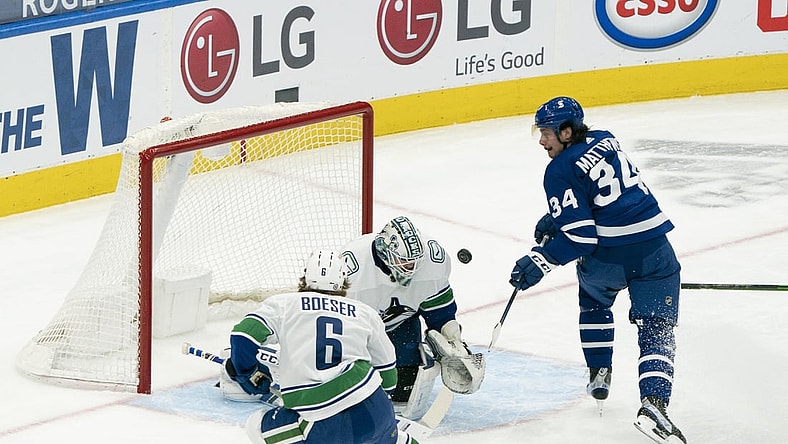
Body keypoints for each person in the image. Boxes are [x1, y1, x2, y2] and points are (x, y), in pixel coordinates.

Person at [508, 96, 686, 444]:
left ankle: (599, 370)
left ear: (566, 131)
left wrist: (540, 260)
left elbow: (581, 239)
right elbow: (605, 195)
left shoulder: (557, 171)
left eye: (545, 132)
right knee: (657, 327)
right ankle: (654, 405)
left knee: (594, 301)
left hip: (608, 259)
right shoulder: (605, 137)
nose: (542, 141)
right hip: (656, 250)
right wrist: (559, 217)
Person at [223, 250, 418, 444]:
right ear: (343, 281)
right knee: (389, 438)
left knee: (256, 426)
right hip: (376, 408)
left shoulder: (284, 304)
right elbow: (388, 374)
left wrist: (246, 371)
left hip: (323, 422)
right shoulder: (365, 312)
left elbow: (243, 336)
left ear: (305, 278)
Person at [340, 215, 485, 419]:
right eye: (405, 262)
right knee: (350, 391)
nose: (412, 269)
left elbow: (439, 311)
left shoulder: (434, 260)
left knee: (402, 393)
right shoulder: (352, 267)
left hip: (401, 325)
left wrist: (453, 340)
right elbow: (334, 323)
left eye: (415, 262)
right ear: (385, 251)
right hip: (357, 335)